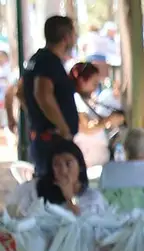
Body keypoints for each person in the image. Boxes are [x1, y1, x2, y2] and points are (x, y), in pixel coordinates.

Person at [21, 16, 78, 177]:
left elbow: (20, 93)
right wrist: (63, 128)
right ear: (66, 37)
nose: (74, 38)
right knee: (53, 188)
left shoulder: (36, 59)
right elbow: (42, 94)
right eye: (73, 34)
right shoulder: (49, 62)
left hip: (44, 137)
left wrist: (35, 114)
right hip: (52, 139)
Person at [30, 136, 106, 215]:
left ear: (80, 166)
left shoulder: (93, 198)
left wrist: (69, 198)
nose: (63, 171)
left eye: (68, 164)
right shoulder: (40, 191)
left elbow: (84, 224)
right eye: (57, 165)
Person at [69, 62, 124, 169]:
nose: (95, 88)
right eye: (94, 84)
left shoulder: (85, 101)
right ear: (82, 81)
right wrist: (109, 121)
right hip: (90, 166)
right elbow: (85, 127)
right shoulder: (76, 100)